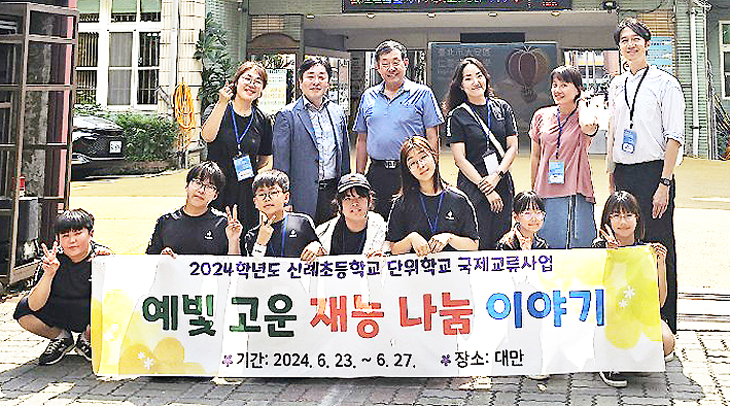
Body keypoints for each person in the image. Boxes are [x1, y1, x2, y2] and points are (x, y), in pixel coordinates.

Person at [607, 18, 684, 333]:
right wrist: (611, 174)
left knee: (659, 245)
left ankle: (665, 322)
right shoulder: (616, 84)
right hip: (624, 172)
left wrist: (664, 182)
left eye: (636, 39)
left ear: (647, 44)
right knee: (626, 243)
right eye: (624, 40)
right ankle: (631, 318)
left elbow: (674, 137)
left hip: (655, 173)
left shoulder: (665, 83)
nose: (630, 45)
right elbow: (613, 132)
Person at [593, 191, 676, 388]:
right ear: (608, 220)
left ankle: (635, 359)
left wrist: (661, 264)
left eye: (628, 215)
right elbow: (592, 288)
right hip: (609, 317)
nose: (623, 221)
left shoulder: (646, 252)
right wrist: (607, 256)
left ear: (637, 218)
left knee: (667, 342)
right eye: (616, 215)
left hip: (636, 316)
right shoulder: (598, 248)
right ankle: (608, 363)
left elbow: (659, 302)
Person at [354, 40, 445, 219]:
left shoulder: (423, 94)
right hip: (377, 172)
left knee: (412, 220)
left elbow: (433, 137)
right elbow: (362, 139)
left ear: (405, 63)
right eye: (385, 64)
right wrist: (359, 177)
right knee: (377, 221)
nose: (391, 68)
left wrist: (432, 173)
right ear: (377, 67)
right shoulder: (368, 97)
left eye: (396, 62)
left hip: (411, 171)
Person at [13, 209, 110, 365]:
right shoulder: (52, 259)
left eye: (78, 233)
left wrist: (106, 268)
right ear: (58, 239)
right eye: (65, 236)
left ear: (91, 234)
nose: (72, 240)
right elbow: (34, 305)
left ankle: (87, 339)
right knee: (23, 310)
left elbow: (116, 299)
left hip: (88, 312)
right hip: (59, 310)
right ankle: (61, 338)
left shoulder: (102, 256)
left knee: (111, 308)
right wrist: (49, 273)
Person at [444, 57, 519, 250]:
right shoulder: (457, 116)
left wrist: (497, 176)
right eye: (468, 78)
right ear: (461, 85)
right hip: (473, 187)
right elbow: (460, 159)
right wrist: (486, 188)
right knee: (477, 240)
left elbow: (512, 147)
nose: (476, 81)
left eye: (479, 75)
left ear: (486, 78)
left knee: (502, 241)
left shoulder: (502, 108)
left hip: (501, 183)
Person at [273, 58, 351, 225]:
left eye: (321, 77)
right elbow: (281, 164)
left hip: (333, 194)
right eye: (310, 76)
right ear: (300, 82)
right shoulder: (287, 115)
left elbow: (344, 158)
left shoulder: (337, 113)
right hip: (301, 196)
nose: (316, 82)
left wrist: (346, 193)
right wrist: (285, 200)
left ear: (328, 83)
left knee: (332, 238)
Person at [529, 65, 600, 249]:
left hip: (574, 189)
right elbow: (535, 156)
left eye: (564, 85)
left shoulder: (584, 115)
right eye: (554, 85)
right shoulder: (541, 115)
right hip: (545, 188)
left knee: (577, 244)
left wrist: (582, 101)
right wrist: (533, 189)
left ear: (578, 88)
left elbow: (588, 126)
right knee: (546, 243)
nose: (557, 90)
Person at [201, 61, 273, 238]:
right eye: (247, 78)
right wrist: (222, 103)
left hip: (246, 190)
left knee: (244, 237)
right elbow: (207, 136)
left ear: (261, 90)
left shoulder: (262, 119)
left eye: (258, 81)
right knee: (213, 237)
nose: (251, 84)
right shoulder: (217, 108)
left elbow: (263, 159)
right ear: (236, 82)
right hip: (215, 186)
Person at [386, 136, 479, 256]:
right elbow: (393, 248)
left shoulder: (458, 199)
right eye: (412, 163)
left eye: (423, 157)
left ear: (434, 157)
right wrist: (411, 239)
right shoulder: (402, 203)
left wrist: (449, 238)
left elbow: (473, 245)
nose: (420, 165)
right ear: (408, 170)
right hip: (416, 267)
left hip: (451, 266)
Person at [228, 169, 323, 261]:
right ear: (255, 202)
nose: (267, 198)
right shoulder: (253, 234)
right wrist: (260, 244)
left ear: (286, 197)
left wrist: (316, 247)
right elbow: (252, 267)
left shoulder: (302, 223)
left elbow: (323, 253)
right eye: (261, 194)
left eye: (273, 192)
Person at [146, 161, 234, 257]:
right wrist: (162, 257)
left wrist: (234, 240)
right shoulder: (165, 221)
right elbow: (149, 260)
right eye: (198, 182)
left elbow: (233, 263)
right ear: (187, 185)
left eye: (210, 187)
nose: (201, 190)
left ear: (215, 195)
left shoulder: (222, 223)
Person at [316, 173, 387, 257]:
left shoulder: (382, 230)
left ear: (369, 201)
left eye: (360, 197)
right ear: (340, 204)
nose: (355, 203)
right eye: (348, 198)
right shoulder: (323, 232)